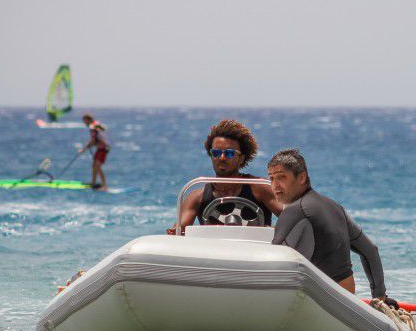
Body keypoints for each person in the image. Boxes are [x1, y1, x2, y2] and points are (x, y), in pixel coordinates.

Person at [267, 148, 398, 308]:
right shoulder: (335, 207)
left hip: (317, 301)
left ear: (301, 177)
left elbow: (274, 266)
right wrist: (379, 297)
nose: (275, 185)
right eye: (271, 178)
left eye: (281, 177)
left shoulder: (294, 211)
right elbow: (371, 250)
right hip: (345, 297)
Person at [168, 119, 282, 234]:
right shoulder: (196, 197)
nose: (222, 158)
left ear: (241, 158)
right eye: (216, 153)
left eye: (229, 153)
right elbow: (178, 231)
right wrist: (174, 231)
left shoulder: (260, 188)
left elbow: (290, 218)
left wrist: (272, 231)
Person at [79, 114, 110, 191]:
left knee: (98, 166)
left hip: (103, 149)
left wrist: (84, 149)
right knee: (94, 166)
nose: (84, 123)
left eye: (84, 121)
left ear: (88, 119)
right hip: (101, 148)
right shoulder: (96, 124)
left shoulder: (93, 127)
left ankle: (104, 186)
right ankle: (93, 183)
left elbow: (93, 140)